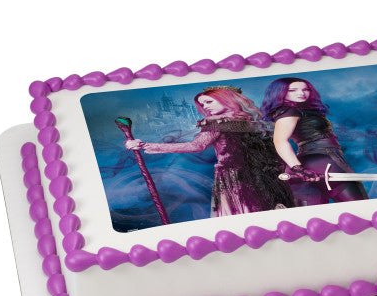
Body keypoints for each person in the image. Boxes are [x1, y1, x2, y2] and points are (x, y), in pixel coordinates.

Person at [125, 86, 294, 217]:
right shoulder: (234, 122)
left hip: (258, 176)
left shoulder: (243, 122)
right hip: (239, 176)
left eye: (209, 102)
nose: (205, 107)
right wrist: (146, 145)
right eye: (203, 104)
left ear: (226, 100)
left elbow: (196, 146)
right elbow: (196, 145)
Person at [261, 77, 368, 206]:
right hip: (320, 163)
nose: (301, 93)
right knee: (360, 207)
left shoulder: (300, 110)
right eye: (293, 90)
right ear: (279, 92)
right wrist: (298, 169)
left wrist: (299, 169)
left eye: (305, 89)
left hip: (320, 162)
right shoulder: (289, 111)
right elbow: (280, 141)